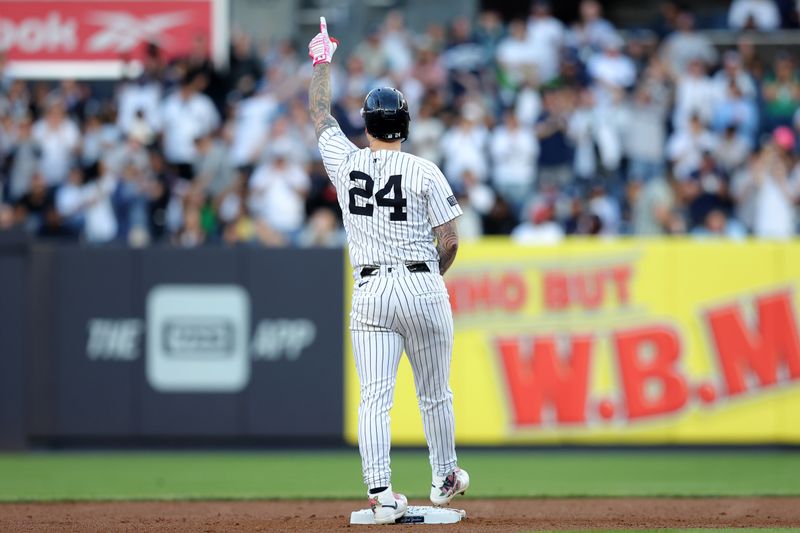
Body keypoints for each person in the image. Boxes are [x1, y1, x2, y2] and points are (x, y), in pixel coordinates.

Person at [308, 17, 469, 524]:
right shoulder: (425, 170)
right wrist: (428, 279)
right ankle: (445, 478)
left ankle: (380, 495)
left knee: (375, 398)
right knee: (434, 393)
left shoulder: (346, 161)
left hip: (371, 287)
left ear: (367, 123)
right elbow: (450, 240)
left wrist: (322, 61)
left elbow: (318, 112)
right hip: (422, 280)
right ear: (407, 123)